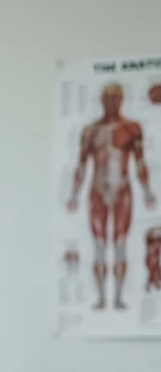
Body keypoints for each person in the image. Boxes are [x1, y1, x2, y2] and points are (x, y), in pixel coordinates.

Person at [66, 81, 156, 311]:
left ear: (122, 100)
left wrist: (147, 191)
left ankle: (117, 298)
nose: (112, 102)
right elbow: (81, 165)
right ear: (102, 100)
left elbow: (140, 162)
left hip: (122, 189)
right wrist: (74, 194)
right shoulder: (90, 130)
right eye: (108, 98)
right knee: (98, 244)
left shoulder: (131, 128)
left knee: (120, 243)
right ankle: (100, 298)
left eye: (116, 98)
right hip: (97, 189)